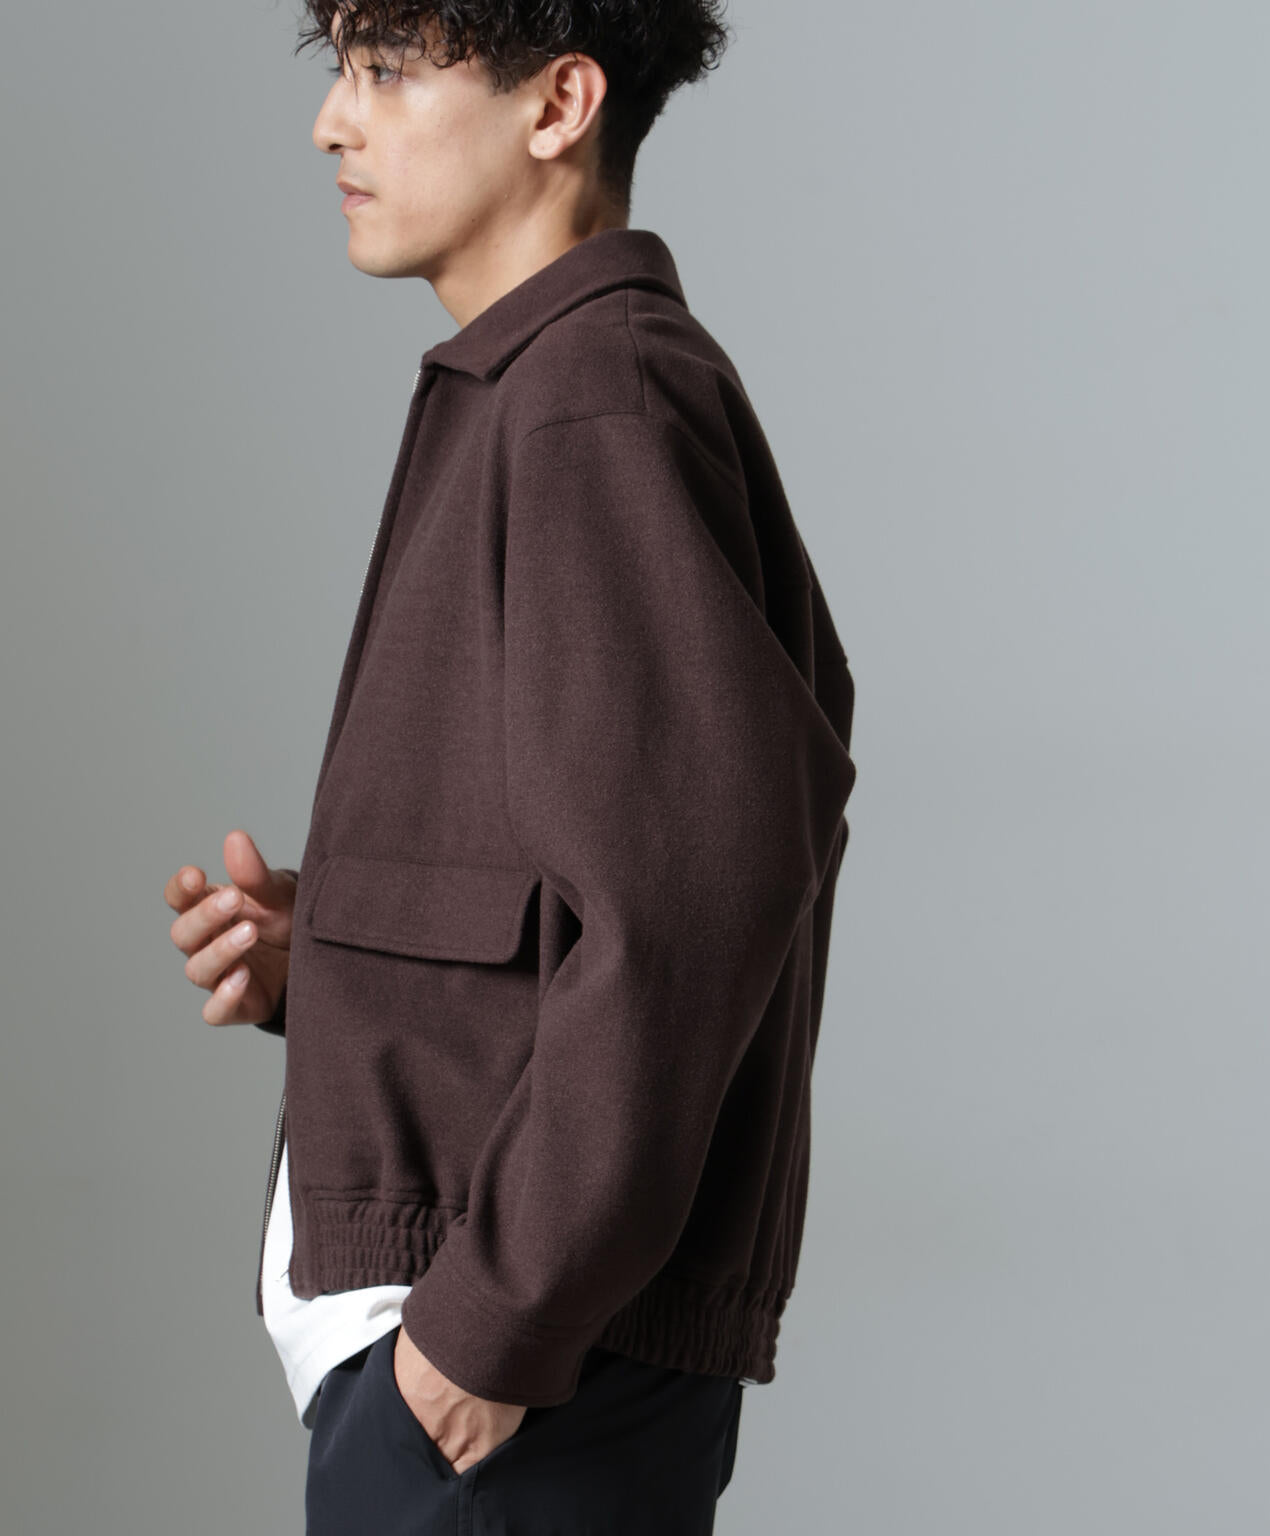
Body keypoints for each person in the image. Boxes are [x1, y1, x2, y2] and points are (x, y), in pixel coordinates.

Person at [163, 2, 857, 1531]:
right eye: (338, 69)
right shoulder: (548, 385)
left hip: (516, 1375)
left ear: (559, 105)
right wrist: (339, 960)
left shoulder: (591, 400)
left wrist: (492, 1327)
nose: (334, 122)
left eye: (388, 72)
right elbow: (616, 866)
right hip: (498, 1360)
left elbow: (703, 895)